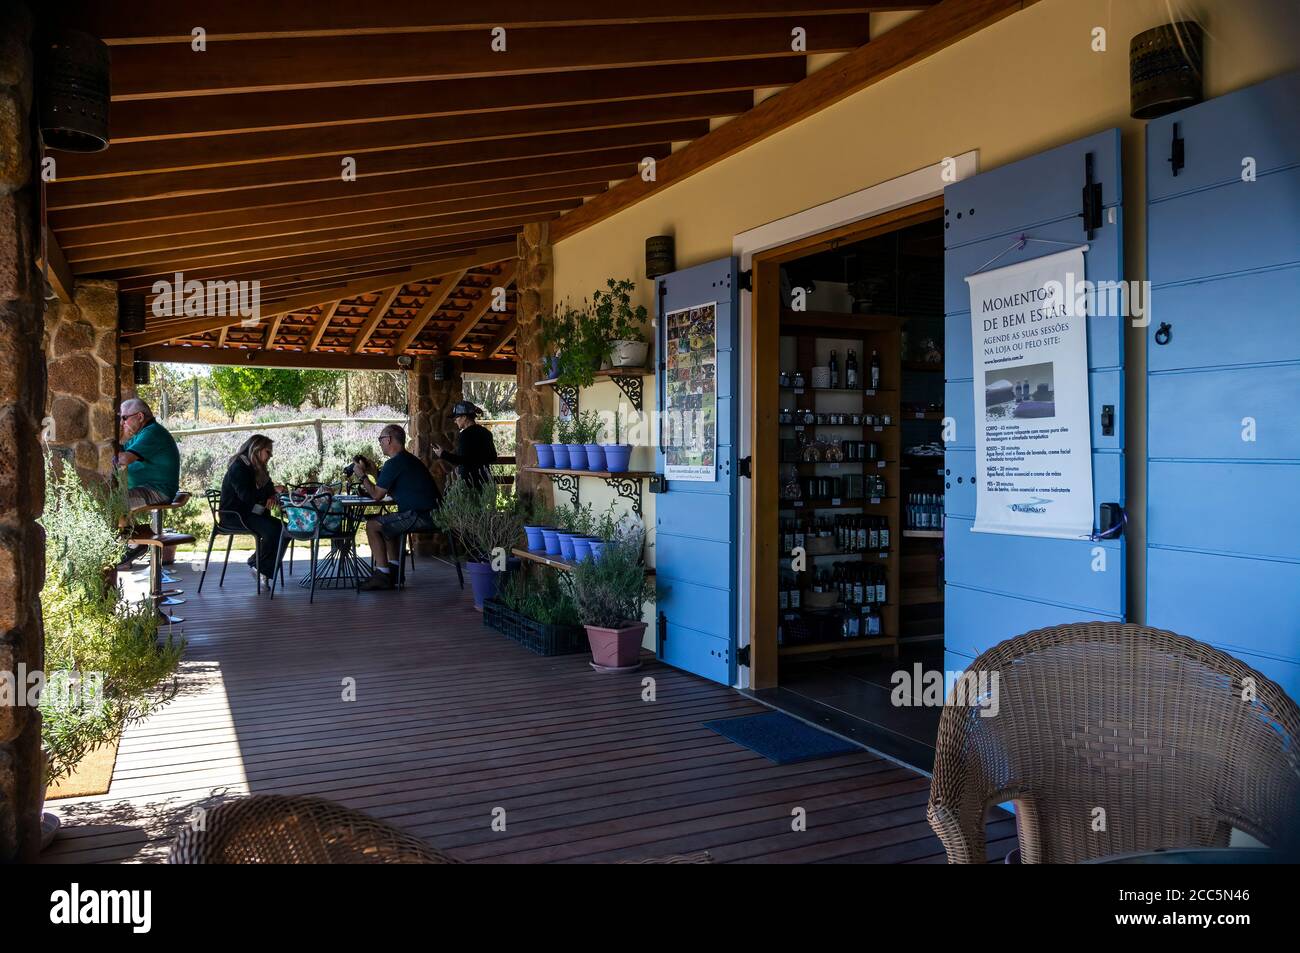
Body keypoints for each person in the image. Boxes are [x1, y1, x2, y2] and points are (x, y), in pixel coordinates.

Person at [353, 424, 442, 591]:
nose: (379, 443)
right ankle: (394, 571)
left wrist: (362, 475)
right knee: (389, 524)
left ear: (389, 440)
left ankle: (382, 575)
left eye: (381, 439)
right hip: (433, 514)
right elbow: (392, 487)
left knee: (372, 526)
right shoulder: (407, 460)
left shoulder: (394, 463)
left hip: (421, 516)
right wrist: (373, 472)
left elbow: (376, 495)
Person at [115, 397, 180, 569]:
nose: (121, 423)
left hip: (157, 491)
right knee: (113, 502)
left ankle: (134, 545)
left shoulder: (152, 433)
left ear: (140, 417)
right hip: (149, 488)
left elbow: (123, 459)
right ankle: (132, 543)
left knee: (114, 505)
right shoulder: (143, 434)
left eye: (124, 418)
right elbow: (121, 449)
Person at [219, 434, 288, 589]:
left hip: (249, 513)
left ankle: (258, 566)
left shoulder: (258, 468)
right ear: (257, 450)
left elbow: (267, 489)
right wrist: (268, 494)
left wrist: (272, 494)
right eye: (268, 452)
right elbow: (247, 497)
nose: (271, 455)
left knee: (285, 529)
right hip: (234, 515)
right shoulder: (239, 467)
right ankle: (260, 568)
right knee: (274, 530)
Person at [432, 400, 497, 487]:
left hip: (469, 483)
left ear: (464, 417)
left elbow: (462, 460)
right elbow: (493, 457)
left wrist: (442, 454)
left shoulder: (465, 435)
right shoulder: (486, 433)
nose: (455, 421)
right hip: (485, 481)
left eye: (456, 418)